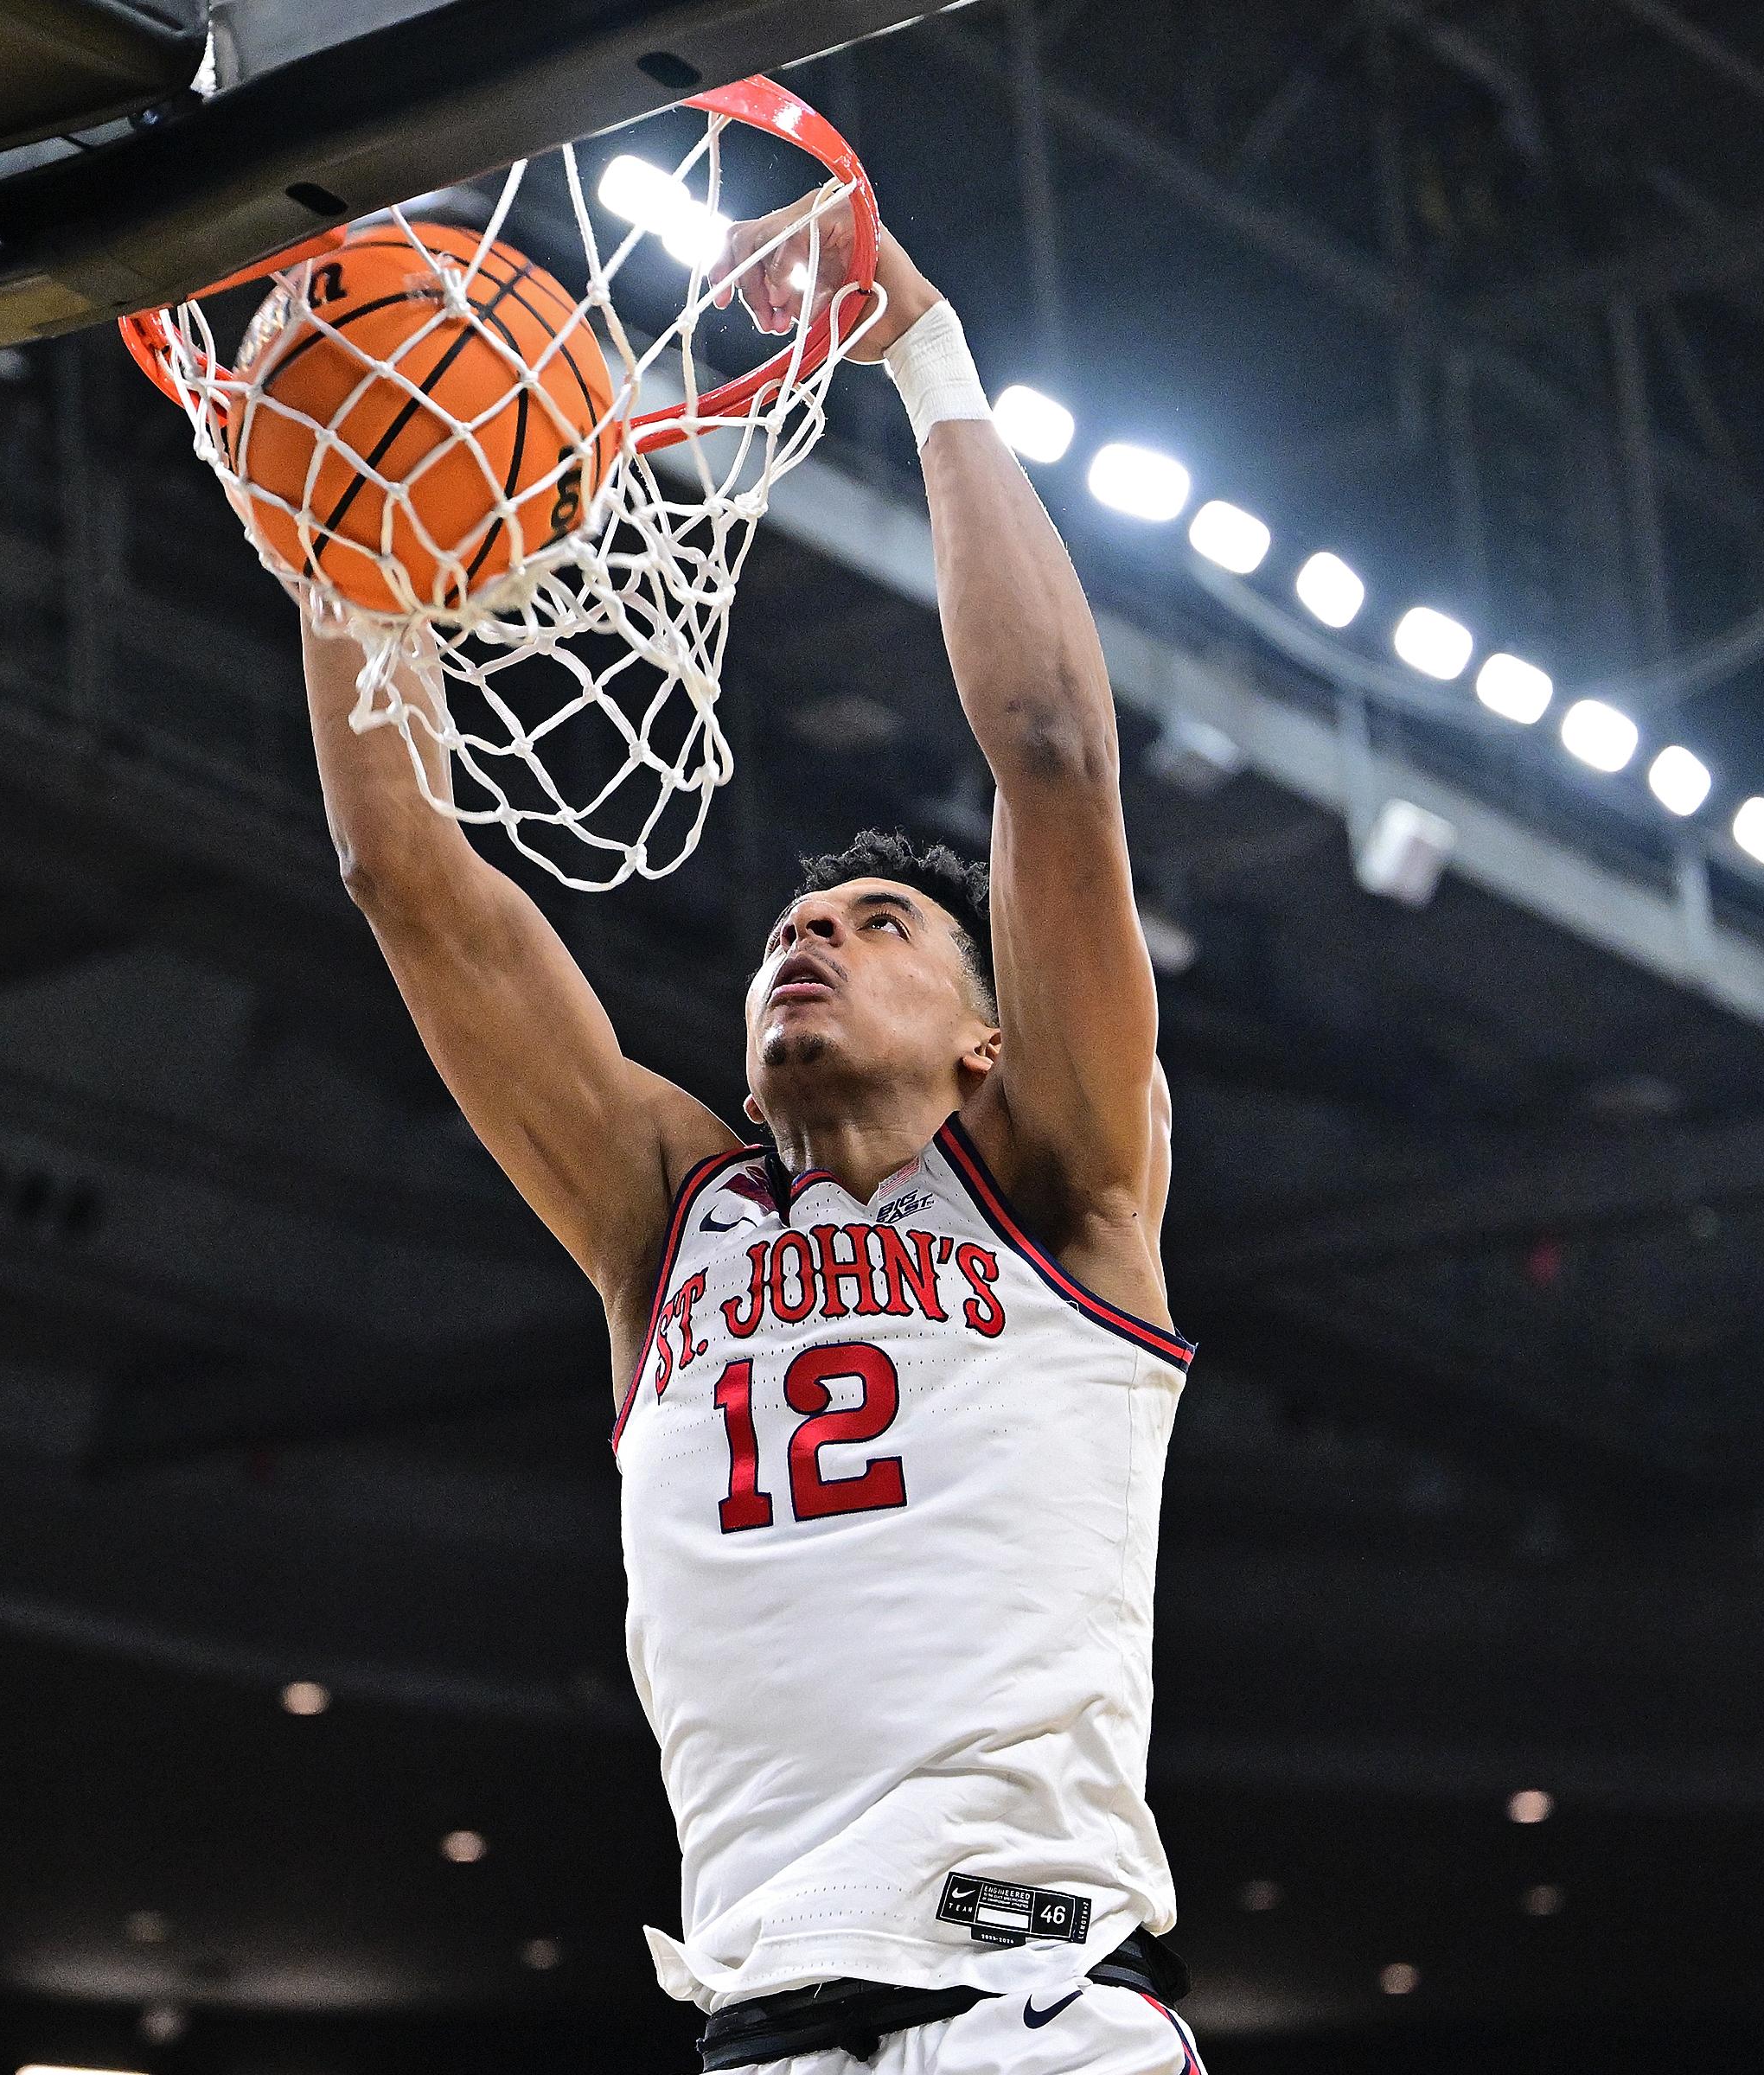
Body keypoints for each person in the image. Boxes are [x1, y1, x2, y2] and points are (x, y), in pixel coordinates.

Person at [291, 191, 1203, 2075]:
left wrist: (920, 347)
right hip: (763, 2028)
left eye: (880, 928)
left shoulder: (1060, 1184)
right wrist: (340, 526)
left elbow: (1053, 753)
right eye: (796, 926)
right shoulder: (668, 1218)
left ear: (986, 1041)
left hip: (1034, 2015)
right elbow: (405, 875)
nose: (813, 938)